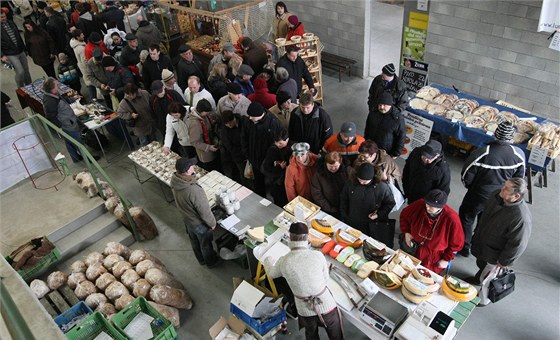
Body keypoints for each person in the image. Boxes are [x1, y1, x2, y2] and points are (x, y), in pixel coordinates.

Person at [263, 222, 344, 340]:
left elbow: (271, 273)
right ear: (307, 237)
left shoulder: (284, 261)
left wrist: (268, 260)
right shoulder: (317, 255)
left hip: (305, 310)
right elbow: (325, 279)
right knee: (337, 336)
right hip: (326, 305)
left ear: (290, 237)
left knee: (311, 335)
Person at [458, 121, 526, 257]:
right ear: (512, 138)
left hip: (478, 194)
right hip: (500, 197)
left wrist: (470, 187)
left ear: (496, 134)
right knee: (485, 221)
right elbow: (519, 179)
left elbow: (467, 174)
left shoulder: (483, 152)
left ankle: (464, 246)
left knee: (467, 217)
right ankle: (476, 245)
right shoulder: (519, 155)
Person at [469, 178, 532, 285]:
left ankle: (483, 295)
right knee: (482, 265)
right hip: (483, 244)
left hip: (495, 254)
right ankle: (478, 278)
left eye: (506, 188)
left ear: (516, 196)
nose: (502, 189)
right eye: (504, 185)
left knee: (489, 278)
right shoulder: (497, 196)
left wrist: (504, 261)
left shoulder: (520, 218)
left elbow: (518, 244)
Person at [170, 157, 222, 268]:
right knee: (205, 244)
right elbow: (204, 211)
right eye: (192, 166)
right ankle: (211, 262)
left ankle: (201, 260)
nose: (194, 166)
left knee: (194, 241)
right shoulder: (193, 190)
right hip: (198, 223)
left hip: (187, 219)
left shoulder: (175, 181)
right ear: (188, 170)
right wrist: (212, 223)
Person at [399, 190, 464, 274]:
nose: (427, 207)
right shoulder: (420, 204)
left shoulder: (452, 219)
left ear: (440, 207)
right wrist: (406, 232)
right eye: (427, 204)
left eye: (431, 206)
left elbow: (457, 244)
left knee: (422, 278)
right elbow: (404, 215)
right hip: (412, 248)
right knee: (403, 271)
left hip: (431, 259)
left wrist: (446, 259)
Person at [340, 163, 395, 237]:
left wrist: (378, 214)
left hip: (371, 224)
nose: (361, 182)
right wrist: (345, 214)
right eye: (360, 179)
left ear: (373, 178)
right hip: (352, 220)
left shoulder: (382, 188)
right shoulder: (351, 182)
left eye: (365, 181)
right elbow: (344, 198)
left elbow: (390, 203)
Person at [241, 102, 284, 197]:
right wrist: (248, 155)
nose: (250, 118)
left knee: (273, 184)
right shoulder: (249, 122)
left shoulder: (273, 123)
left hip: (269, 161)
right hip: (255, 160)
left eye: (252, 116)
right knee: (259, 185)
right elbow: (244, 139)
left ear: (259, 115)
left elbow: (282, 141)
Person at [42, 77, 86, 163]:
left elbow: (64, 100)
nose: (58, 86)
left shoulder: (54, 94)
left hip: (67, 121)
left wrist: (74, 98)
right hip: (66, 124)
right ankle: (88, 159)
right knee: (78, 142)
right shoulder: (50, 101)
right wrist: (60, 127)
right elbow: (51, 116)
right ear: (52, 88)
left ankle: (75, 158)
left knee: (69, 142)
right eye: (56, 85)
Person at [402, 140, 451, 204]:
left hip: (426, 202)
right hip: (410, 193)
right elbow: (407, 170)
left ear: (437, 156)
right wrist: (406, 189)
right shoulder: (416, 153)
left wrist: (431, 204)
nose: (425, 159)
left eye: (429, 158)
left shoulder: (443, 170)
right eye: (423, 156)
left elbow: (443, 191)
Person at [364, 92, 406, 158]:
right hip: (371, 148)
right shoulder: (373, 113)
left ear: (390, 105)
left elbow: (401, 137)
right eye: (380, 104)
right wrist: (366, 143)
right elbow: (367, 128)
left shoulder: (397, 119)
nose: (381, 107)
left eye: (384, 105)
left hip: (385, 152)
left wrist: (396, 153)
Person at [311, 151, 348, 218]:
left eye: (336, 166)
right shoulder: (319, 175)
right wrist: (330, 209)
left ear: (340, 163)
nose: (333, 169)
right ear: (326, 164)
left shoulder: (347, 171)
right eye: (330, 166)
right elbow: (317, 194)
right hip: (328, 210)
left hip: (345, 208)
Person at [261, 128, 292, 206]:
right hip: (278, 184)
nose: (278, 145)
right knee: (280, 204)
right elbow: (267, 167)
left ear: (287, 140)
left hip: (287, 182)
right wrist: (280, 168)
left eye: (280, 143)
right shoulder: (272, 150)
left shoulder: (292, 148)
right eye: (276, 142)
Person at [1, 12, 32, 87]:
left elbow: (18, 36)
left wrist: (25, 49)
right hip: (10, 53)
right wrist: (2, 55)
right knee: (20, 71)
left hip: (20, 50)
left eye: (4, 16)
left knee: (26, 71)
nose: (4, 18)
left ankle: (30, 86)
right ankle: (20, 87)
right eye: (1, 17)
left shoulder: (11, 23)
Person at [188, 99, 220, 171]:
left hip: (212, 147)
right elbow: (194, 142)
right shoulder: (195, 124)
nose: (208, 113)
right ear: (202, 111)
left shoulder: (204, 116)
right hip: (206, 154)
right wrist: (208, 147)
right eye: (207, 112)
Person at [219, 110, 247, 184]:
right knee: (244, 174)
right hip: (239, 156)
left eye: (230, 123)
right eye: (226, 124)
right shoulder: (225, 130)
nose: (229, 125)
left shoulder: (244, 121)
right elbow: (229, 146)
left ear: (234, 118)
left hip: (250, 153)